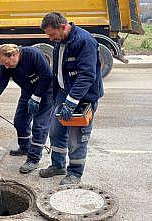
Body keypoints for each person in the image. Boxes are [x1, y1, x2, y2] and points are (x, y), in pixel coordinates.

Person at [39, 12, 104, 185]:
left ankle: (75, 173)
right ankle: (58, 165)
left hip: (82, 98)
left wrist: (71, 101)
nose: (51, 38)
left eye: (52, 34)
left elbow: (87, 75)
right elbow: (59, 71)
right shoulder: (60, 42)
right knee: (56, 131)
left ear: (62, 27)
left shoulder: (84, 41)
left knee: (77, 137)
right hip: (62, 94)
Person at [0, 44, 53, 174]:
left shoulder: (33, 55)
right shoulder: (6, 64)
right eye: (4, 65)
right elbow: (1, 82)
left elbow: (47, 76)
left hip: (46, 92)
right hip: (27, 91)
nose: (6, 67)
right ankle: (25, 147)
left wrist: (36, 97)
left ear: (14, 55)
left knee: (39, 126)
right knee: (20, 121)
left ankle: (33, 159)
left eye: (7, 63)